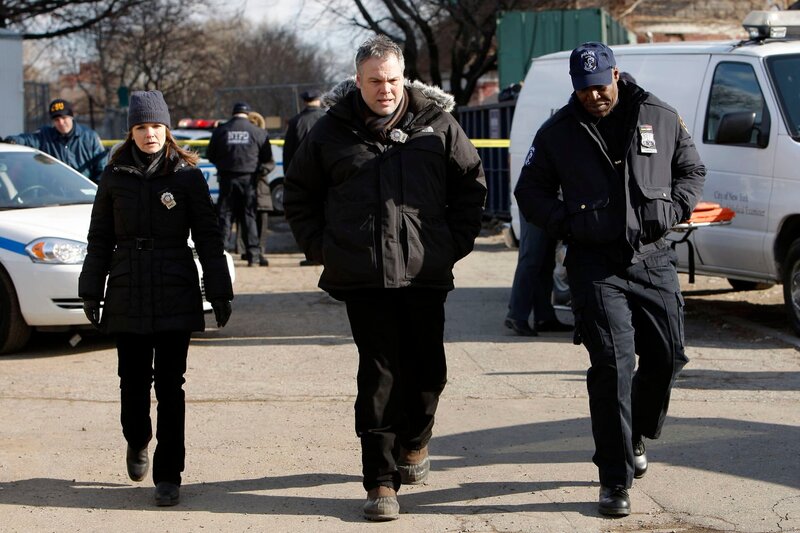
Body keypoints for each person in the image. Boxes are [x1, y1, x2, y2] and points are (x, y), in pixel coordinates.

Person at [284, 35, 486, 522]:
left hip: (425, 274)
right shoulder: (330, 132)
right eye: (375, 82)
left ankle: (415, 442)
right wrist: (324, 249)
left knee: (428, 371)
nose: (386, 90)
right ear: (357, 81)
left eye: (393, 80)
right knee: (379, 374)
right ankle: (378, 481)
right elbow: (298, 194)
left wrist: (449, 246)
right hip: (362, 277)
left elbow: (471, 185)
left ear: (404, 78)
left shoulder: (437, 125)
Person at [514, 42, 705, 517]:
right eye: (583, 89)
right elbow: (529, 190)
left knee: (668, 356)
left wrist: (669, 211)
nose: (593, 96)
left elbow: (692, 171)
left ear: (616, 75)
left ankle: (637, 432)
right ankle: (614, 479)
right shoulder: (560, 130)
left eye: (600, 86)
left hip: (653, 257)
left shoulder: (658, 114)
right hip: (594, 265)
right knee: (611, 368)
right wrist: (570, 224)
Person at [78, 90, 233, 507]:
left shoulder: (186, 176)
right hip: (127, 286)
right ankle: (137, 438)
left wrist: (218, 290)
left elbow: (208, 237)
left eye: (156, 126)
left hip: (174, 288)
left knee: (170, 386)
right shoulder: (114, 176)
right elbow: (99, 239)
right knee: (132, 382)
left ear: (167, 128)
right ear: (131, 131)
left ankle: (169, 475)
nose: (150, 134)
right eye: (142, 127)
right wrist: (91, 289)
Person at [207, 102, 273, 266]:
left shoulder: (221, 131)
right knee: (249, 216)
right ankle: (253, 255)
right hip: (249, 180)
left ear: (233, 113)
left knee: (225, 216)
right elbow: (267, 158)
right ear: (248, 113)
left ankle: (220, 253)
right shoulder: (258, 132)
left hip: (227, 179)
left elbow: (210, 155)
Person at [4, 98, 107, 182]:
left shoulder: (90, 137)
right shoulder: (45, 135)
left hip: (85, 194)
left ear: (71, 117)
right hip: (56, 195)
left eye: (64, 118)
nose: (61, 123)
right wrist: (10, 140)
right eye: (56, 120)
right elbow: (27, 139)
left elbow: (101, 169)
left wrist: (96, 194)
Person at [505, 216, 573, 336]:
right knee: (532, 256)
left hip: (549, 202)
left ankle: (544, 317)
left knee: (546, 258)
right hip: (534, 201)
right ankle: (517, 315)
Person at [283, 89, 327, 266]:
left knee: (310, 215)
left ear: (304, 101)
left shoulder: (296, 122)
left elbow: (289, 153)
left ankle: (313, 253)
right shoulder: (329, 119)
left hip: (305, 176)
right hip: (328, 174)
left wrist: (290, 178)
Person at [246, 110, 276, 259]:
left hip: (260, 185)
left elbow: (270, 163)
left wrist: (261, 170)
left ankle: (260, 251)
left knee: (261, 220)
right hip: (253, 185)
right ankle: (249, 250)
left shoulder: (262, 138)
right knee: (249, 220)